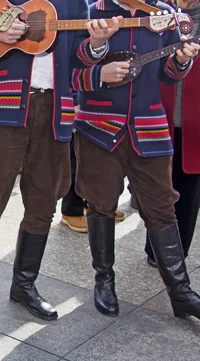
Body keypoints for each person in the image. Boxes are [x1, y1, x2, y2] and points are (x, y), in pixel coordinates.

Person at [0, 0, 118, 334]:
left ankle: (24, 285)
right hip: (1, 106)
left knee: (44, 203)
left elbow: (79, 56)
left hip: (56, 108)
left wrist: (99, 44)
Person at [72, 0, 200, 319]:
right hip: (98, 127)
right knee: (101, 203)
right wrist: (99, 62)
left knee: (162, 205)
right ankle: (104, 282)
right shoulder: (89, 10)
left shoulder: (162, 14)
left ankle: (180, 292)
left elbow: (169, 74)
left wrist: (182, 61)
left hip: (150, 126)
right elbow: (71, 71)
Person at [142, 0, 200, 268]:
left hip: (195, 116)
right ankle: (155, 248)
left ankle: (177, 255)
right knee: (158, 187)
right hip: (158, 109)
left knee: (188, 188)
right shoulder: (159, 10)